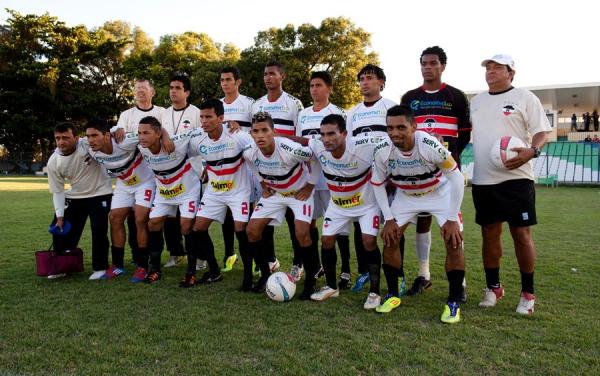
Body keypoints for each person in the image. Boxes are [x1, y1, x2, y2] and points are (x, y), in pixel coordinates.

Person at [470, 54, 551, 315]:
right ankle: (494, 287)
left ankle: (528, 293)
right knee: (489, 233)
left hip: (517, 178)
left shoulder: (525, 97)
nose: (491, 71)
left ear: (511, 73)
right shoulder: (477, 101)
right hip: (484, 179)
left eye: (497, 68)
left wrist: (532, 150)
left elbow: (541, 131)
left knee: (521, 234)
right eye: (488, 67)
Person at [372, 105, 465, 323]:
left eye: (401, 127)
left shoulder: (429, 144)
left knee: (454, 242)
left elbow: (457, 178)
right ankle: (393, 295)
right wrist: (389, 218)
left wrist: (451, 218)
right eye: (390, 128)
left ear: (414, 126)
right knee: (390, 239)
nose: (394, 132)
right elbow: (377, 184)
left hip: (438, 193)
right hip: (406, 196)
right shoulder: (382, 150)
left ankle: (453, 302)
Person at [401, 46, 470, 298]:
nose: (427, 67)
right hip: (417, 175)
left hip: (446, 173)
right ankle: (424, 275)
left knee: (452, 224)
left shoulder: (457, 97)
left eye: (432, 63)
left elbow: (464, 136)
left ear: (442, 66)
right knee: (423, 221)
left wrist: (447, 153)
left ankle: (459, 284)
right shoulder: (409, 98)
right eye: (423, 63)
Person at [305, 114, 384, 310]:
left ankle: (375, 291)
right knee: (327, 240)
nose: (326, 139)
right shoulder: (318, 146)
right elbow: (301, 140)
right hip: (338, 205)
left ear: (345, 134)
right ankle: (332, 286)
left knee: (369, 241)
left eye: (332, 134)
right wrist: (275, 135)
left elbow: (389, 140)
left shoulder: (363, 147)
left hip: (366, 205)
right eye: (323, 134)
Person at [242, 112, 320, 299]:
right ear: (251, 133)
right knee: (252, 231)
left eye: (264, 130)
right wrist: (262, 184)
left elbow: (314, 158)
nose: (260, 135)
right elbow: (251, 164)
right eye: (255, 131)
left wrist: (310, 185)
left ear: (273, 132)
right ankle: (265, 275)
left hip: (298, 193)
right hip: (275, 194)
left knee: (302, 233)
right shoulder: (249, 151)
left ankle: (311, 280)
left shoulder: (289, 148)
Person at [184, 99, 254, 289]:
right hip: (214, 191)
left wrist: (263, 183)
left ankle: (248, 276)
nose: (204, 121)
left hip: (238, 191)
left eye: (208, 117)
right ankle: (214, 271)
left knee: (241, 230)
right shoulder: (197, 137)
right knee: (198, 228)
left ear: (221, 118)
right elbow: (178, 148)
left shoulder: (237, 135)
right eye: (202, 117)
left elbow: (257, 154)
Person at [82, 119, 159, 280]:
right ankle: (118, 265)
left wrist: (164, 137)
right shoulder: (90, 149)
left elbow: (149, 133)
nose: (91, 140)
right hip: (124, 185)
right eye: (88, 136)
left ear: (107, 135)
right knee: (114, 218)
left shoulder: (124, 141)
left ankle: (142, 266)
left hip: (145, 183)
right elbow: (72, 143)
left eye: (95, 135)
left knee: (140, 219)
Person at [296, 71, 352, 288]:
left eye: (319, 85)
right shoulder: (303, 114)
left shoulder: (338, 113)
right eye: (311, 85)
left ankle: (346, 270)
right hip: (308, 178)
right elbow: (302, 144)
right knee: (310, 222)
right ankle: (317, 266)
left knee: (340, 227)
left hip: (332, 179)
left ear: (329, 88)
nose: (314, 89)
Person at [346, 63, 397, 293]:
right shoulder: (353, 113)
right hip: (362, 179)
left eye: (370, 78)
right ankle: (365, 271)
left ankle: (398, 275)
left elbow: (399, 139)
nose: (365, 82)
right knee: (360, 224)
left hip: (389, 176)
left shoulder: (391, 107)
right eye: (362, 78)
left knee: (393, 224)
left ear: (381, 83)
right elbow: (350, 144)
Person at [252, 62, 304, 280]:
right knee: (265, 218)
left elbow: (300, 138)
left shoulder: (294, 103)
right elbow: (252, 135)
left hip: (290, 169)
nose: (268, 78)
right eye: (265, 74)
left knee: (295, 221)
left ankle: (298, 263)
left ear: (282, 76)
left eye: (272, 74)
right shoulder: (257, 104)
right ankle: (270, 260)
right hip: (266, 169)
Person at [136, 116, 203, 283]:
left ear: (158, 133)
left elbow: (203, 131)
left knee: (186, 226)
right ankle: (155, 269)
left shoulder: (178, 142)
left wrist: (231, 124)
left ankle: (191, 272)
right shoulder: (139, 145)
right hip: (164, 193)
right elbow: (115, 133)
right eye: (139, 133)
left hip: (188, 191)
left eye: (146, 133)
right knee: (153, 223)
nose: (141, 137)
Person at [47, 122, 113, 280]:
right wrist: (60, 217)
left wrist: (119, 130)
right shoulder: (53, 162)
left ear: (76, 138)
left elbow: (106, 133)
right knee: (60, 230)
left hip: (100, 193)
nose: (61, 142)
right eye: (58, 138)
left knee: (98, 230)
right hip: (75, 196)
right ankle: (63, 266)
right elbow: (58, 191)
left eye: (66, 137)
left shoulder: (86, 143)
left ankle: (100, 267)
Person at [113, 78, 165, 267]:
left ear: (153, 92)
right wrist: (117, 129)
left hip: (155, 172)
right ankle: (137, 256)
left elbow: (166, 132)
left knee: (151, 217)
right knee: (132, 217)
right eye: (137, 89)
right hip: (132, 172)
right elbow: (119, 133)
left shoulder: (162, 112)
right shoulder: (126, 115)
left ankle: (158, 255)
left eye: (144, 88)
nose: (140, 92)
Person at [219, 66, 255, 272]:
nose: (225, 83)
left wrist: (239, 130)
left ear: (238, 82)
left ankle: (254, 257)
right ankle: (229, 254)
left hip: (246, 166)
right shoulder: (218, 105)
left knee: (247, 214)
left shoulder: (249, 104)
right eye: (222, 80)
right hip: (224, 167)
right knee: (225, 212)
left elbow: (258, 131)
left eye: (228, 80)